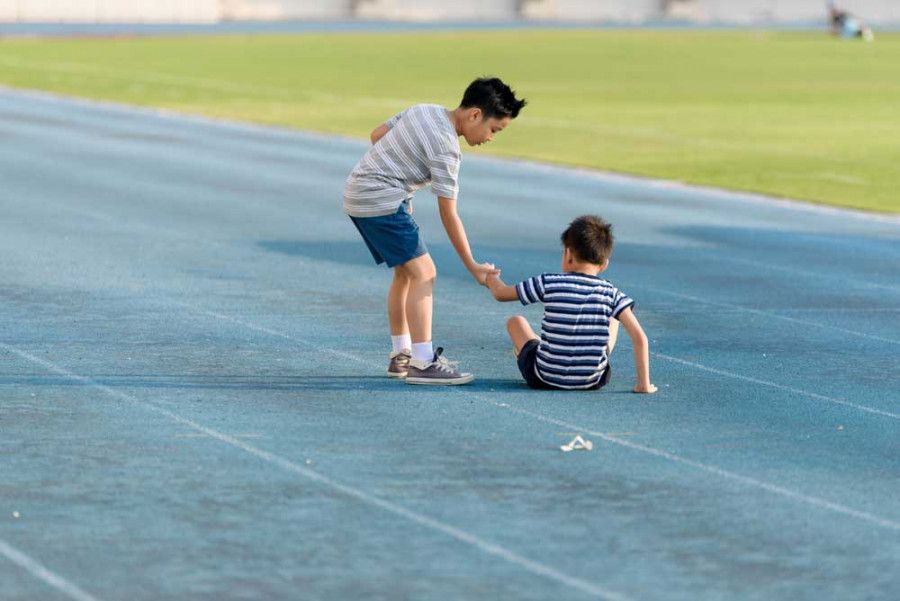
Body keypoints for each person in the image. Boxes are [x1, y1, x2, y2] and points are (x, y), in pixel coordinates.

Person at [343, 77, 526, 385]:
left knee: (405, 273)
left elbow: (377, 136)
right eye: (494, 130)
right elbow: (448, 213)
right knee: (424, 273)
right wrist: (472, 266)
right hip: (379, 198)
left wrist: (400, 181)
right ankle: (423, 361)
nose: (491, 138)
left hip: (358, 191)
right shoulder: (448, 150)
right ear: (474, 115)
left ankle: (401, 354)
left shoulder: (424, 110)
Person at [485, 215, 657, 393]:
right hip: (591, 380)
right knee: (614, 318)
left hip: (544, 376)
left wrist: (491, 278)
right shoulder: (612, 293)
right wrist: (643, 384)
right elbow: (640, 337)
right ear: (604, 264)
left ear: (568, 254)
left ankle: (531, 351)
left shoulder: (549, 282)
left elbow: (500, 293)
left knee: (516, 322)